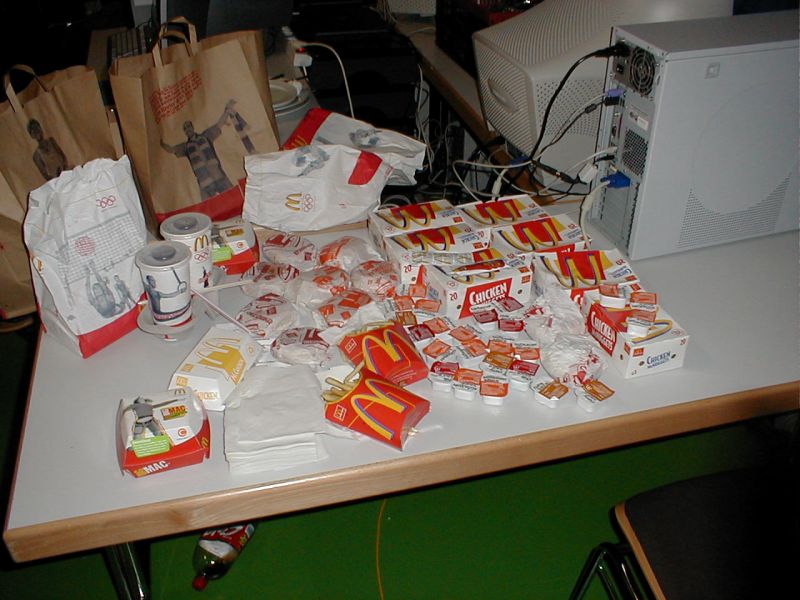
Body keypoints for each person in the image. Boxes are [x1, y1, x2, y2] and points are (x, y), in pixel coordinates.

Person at [160, 100, 238, 199]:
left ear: (192, 127)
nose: (187, 129)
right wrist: (160, 143)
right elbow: (172, 149)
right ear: (184, 132)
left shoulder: (206, 136)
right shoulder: (185, 147)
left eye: (188, 127)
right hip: (205, 183)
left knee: (233, 198)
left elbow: (219, 124)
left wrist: (226, 111)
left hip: (219, 176)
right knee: (209, 207)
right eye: (185, 129)